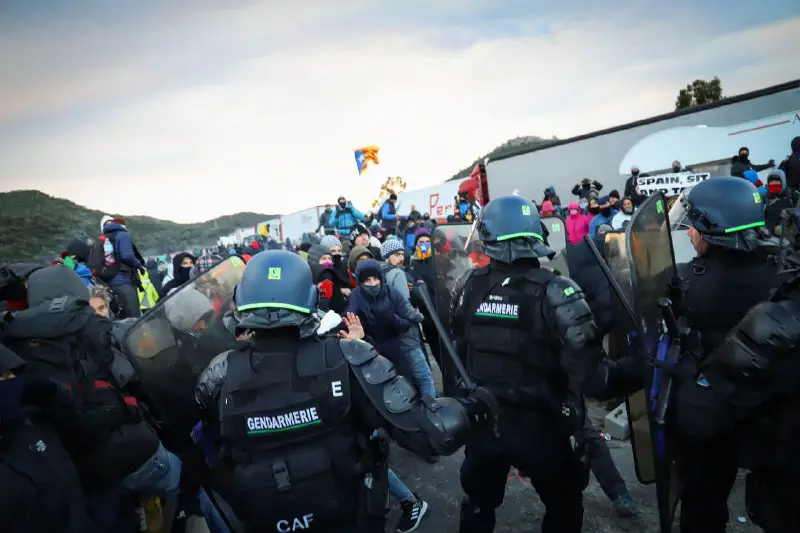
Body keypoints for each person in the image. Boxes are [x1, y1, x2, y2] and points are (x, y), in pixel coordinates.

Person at [193, 250, 497, 532]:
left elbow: (205, 446)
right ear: (310, 299)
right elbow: (431, 433)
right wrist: (477, 405)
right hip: (349, 516)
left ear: (242, 303)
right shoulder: (349, 356)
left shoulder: (218, 374)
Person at [450, 194, 598, 533]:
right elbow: (587, 368)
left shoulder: (466, 286)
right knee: (564, 506)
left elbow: (458, 344)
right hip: (540, 424)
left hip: (485, 420)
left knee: (477, 505)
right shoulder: (558, 290)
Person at [673, 207, 800, 533]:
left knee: (703, 506)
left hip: (714, 409)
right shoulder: (778, 274)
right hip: (770, 417)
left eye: (695, 227)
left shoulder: (687, 281)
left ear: (715, 230)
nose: (689, 233)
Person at [0, 342, 89, 533]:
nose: (10, 383)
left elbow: (76, 426)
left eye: (11, 375)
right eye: (2, 377)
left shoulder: (32, 422)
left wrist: (52, 392)